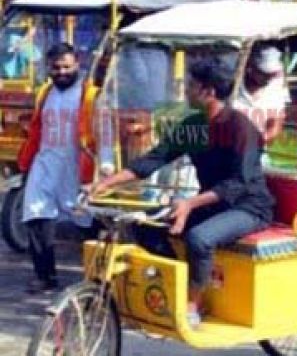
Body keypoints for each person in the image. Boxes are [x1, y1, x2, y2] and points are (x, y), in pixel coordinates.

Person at [90, 59, 275, 327]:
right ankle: (177, 285)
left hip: (249, 207)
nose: (185, 91)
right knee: (144, 225)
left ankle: (192, 305)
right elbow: (155, 159)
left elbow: (239, 183)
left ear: (208, 92)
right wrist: (106, 183)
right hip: (211, 203)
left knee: (199, 238)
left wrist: (190, 203)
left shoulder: (240, 128)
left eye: (191, 86)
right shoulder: (193, 125)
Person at [19, 43, 105, 294]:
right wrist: (27, 162)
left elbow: (103, 134)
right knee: (36, 216)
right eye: (56, 67)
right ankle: (45, 275)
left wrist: (105, 169)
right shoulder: (45, 93)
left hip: (77, 166)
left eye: (66, 66)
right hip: (45, 163)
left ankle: (97, 279)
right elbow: (37, 129)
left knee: (87, 222)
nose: (61, 72)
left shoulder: (91, 95)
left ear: (77, 63)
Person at [232, 46, 290, 145]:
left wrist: (260, 139)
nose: (269, 78)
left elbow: (277, 123)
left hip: (258, 150)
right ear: (251, 68)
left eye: (273, 74)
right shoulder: (231, 86)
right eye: (265, 74)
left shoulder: (277, 88)